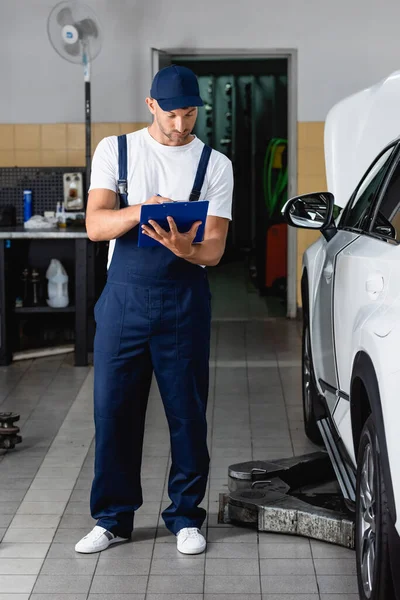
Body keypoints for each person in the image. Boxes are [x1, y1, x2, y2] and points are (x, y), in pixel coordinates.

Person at [75, 65, 234, 555]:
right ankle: (112, 519)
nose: (181, 125)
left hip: (184, 302)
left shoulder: (215, 164)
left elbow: (215, 249)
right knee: (114, 413)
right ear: (151, 106)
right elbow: (96, 226)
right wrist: (143, 211)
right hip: (123, 302)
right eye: (172, 114)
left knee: (187, 415)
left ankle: (186, 517)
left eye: (190, 114)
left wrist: (187, 249)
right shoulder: (115, 151)